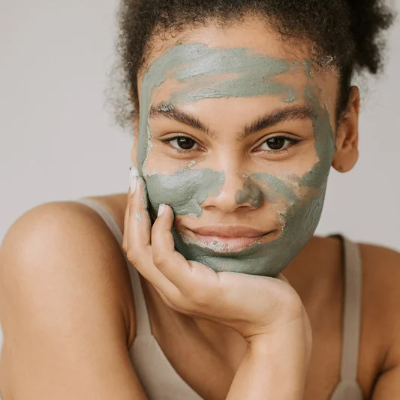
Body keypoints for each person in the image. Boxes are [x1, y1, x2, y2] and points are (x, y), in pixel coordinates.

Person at [0, 0, 398, 399]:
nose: (227, 197)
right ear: (139, 129)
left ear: (345, 132)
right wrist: (276, 334)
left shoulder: (388, 303)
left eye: (275, 142)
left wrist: (275, 329)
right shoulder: (57, 256)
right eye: (184, 141)